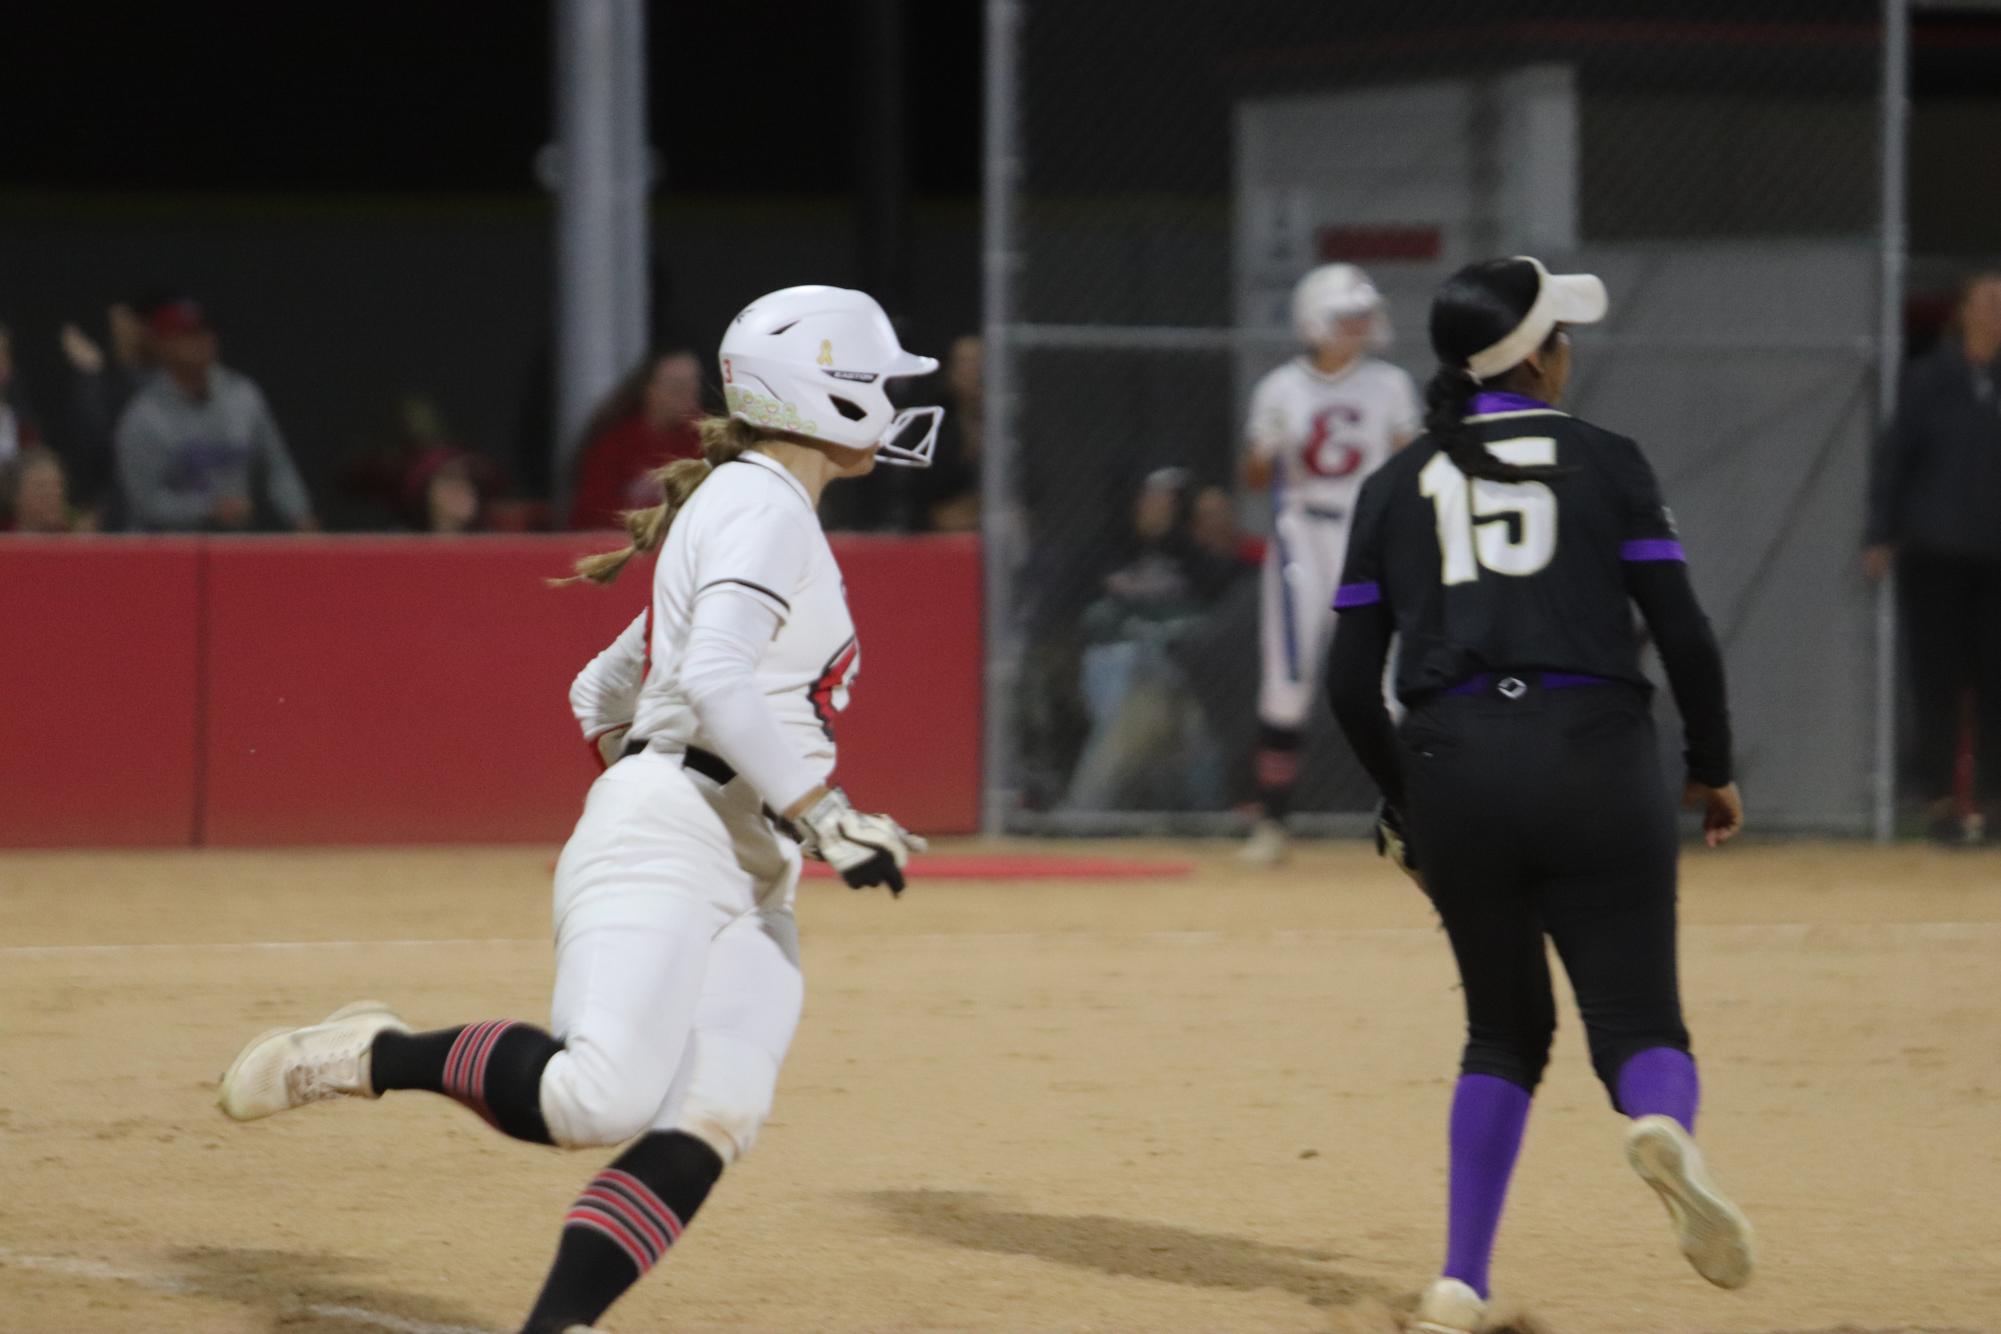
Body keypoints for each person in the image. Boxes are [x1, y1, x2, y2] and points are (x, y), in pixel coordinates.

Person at [215, 285, 940, 1334]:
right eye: (875, 377)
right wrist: (791, 806)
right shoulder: (764, 504)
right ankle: (377, 1051)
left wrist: (694, 789)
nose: (890, 397)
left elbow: (601, 690)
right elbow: (721, 678)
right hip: (689, 835)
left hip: (738, 857)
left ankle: (560, 1324)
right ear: (819, 392)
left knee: (712, 1115)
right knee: (591, 1100)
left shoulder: (755, 502)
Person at [1324, 257, 1753, 1333]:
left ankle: (1460, 1280)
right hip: (1593, 750)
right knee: (1640, 1015)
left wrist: (1403, 800)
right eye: (1562, 333)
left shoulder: (1395, 481)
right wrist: (1712, 760)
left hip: (1455, 763)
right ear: (1537, 357)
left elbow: (1346, 682)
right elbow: (1686, 632)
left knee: (1503, 1032)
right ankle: (1661, 1123)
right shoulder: (1608, 460)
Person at [1239, 263, 1419, 865]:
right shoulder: (1281, 388)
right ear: (1315, 321)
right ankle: (1272, 822)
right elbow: (1254, 477)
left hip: (1369, 533)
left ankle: (1415, 812)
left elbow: (1408, 464)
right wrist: (1269, 450)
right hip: (1303, 532)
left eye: (1363, 317)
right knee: (1287, 677)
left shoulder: (1389, 385)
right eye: (1347, 317)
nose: (1359, 328)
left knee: (1394, 678)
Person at [1864, 271, 2001, 844]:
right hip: (1936, 551)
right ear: (1963, 312)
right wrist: (1880, 533)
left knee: (1996, 677)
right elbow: (1896, 460)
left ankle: (1994, 802)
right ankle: (1943, 801)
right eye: (1987, 303)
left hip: (1997, 555)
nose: (1994, 314)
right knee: (1936, 679)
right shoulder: (1928, 380)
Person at [1066, 468, 1246, 811]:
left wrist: (1177, 539)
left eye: (1167, 502)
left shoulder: (1198, 558)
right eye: (1149, 499)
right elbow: (1078, 615)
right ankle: (1088, 812)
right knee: (1143, 662)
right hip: (1118, 659)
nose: (1155, 508)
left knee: (1179, 685)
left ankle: (1088, 810)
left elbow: (1219, 608)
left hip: (1184, 668)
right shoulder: (1108, 550)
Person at [114, 298, 316, 532]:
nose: (201, 340)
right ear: (162, 343)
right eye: (187, 333)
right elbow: (145, 503)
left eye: (205, 331)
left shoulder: (242, 396)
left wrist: (301, 516)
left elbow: (276, 467)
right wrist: (207, 508)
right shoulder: (143, 417)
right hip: (165, 553)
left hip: (232, 549)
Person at [568, 350, 704, 530]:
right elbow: (592, 516)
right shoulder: (616, 443)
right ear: (649, 389)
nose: (686, 395)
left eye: (692, 385)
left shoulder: (705, 441)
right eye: (676, 387)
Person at [61, 300, 154, 522]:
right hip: (121, 514)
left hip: (156, 516)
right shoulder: (116, 383)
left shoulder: (160, 388)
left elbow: (112, 447)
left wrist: (90, 377)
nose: (120, 333)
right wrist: (90, 376)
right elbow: (97, 448)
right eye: (116, 327)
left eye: (127, 324)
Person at [1, 447, 90, 533]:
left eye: (58, 487)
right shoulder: (4, 539)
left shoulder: (79, 540)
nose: (53, 495)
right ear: (16, 496)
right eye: (41, 487)